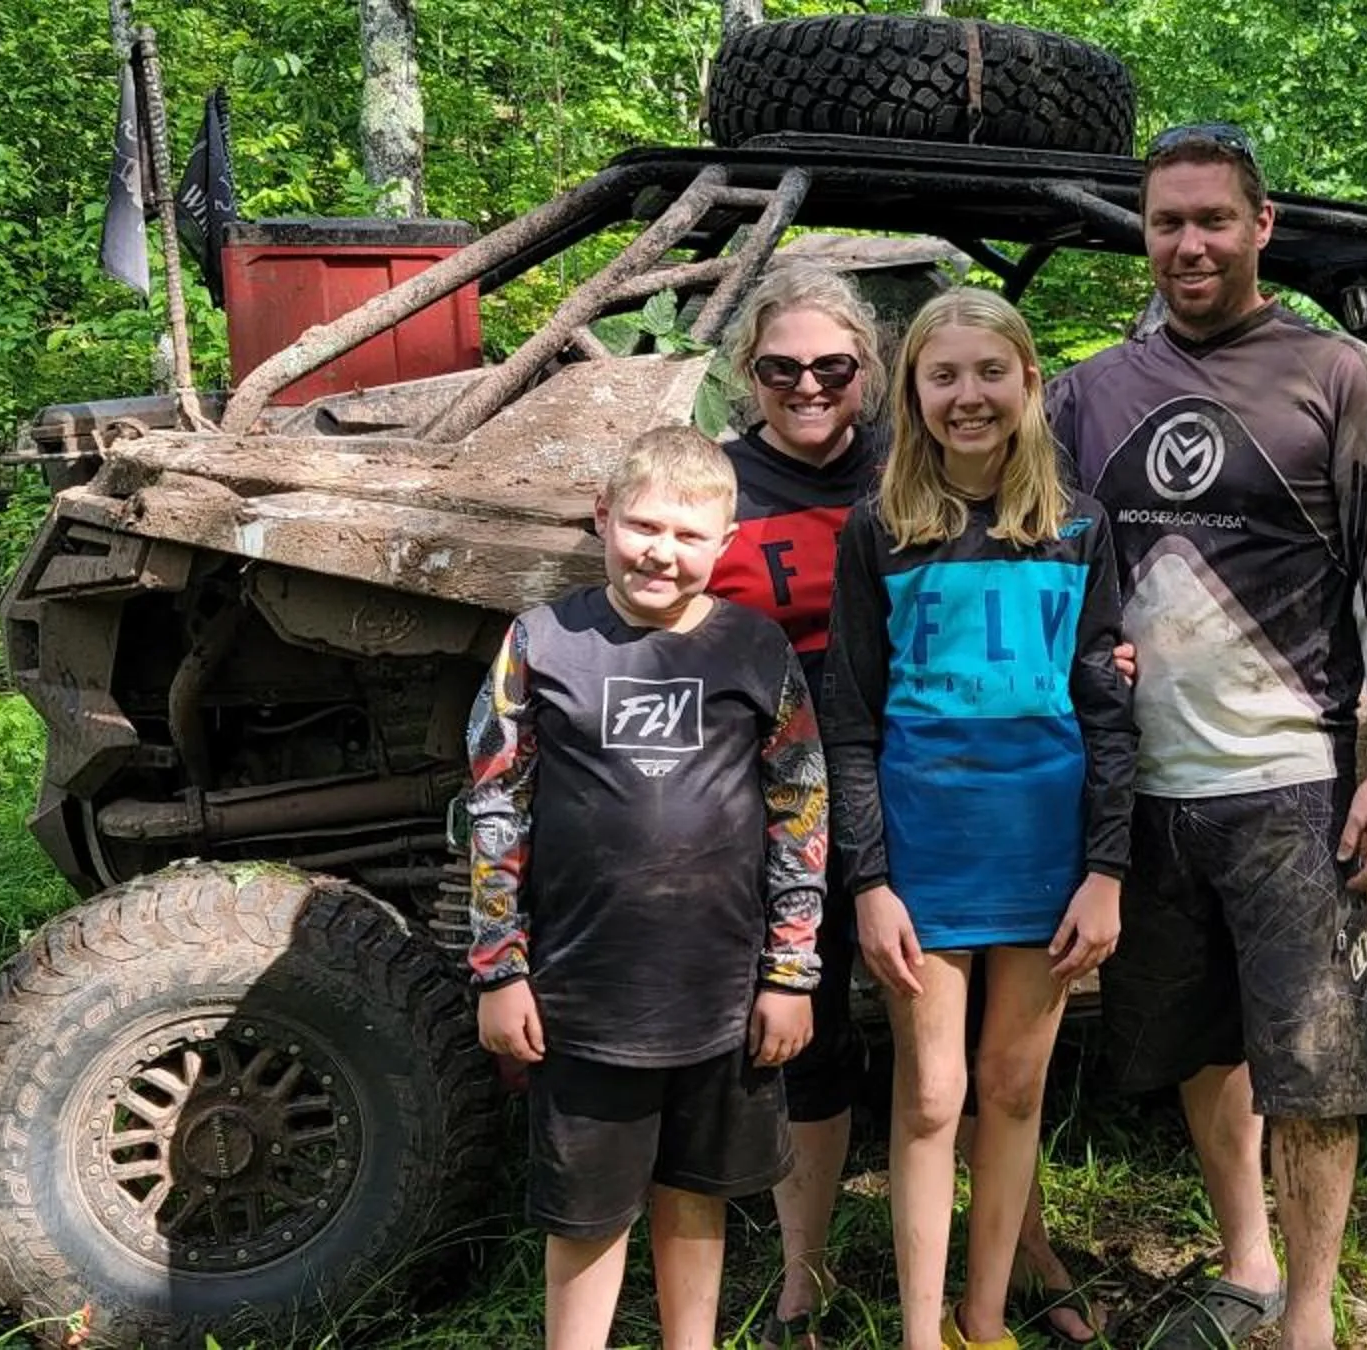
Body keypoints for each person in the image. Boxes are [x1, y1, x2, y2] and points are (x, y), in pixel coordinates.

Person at [1043, 121, 1367, 1350]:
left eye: (1214, 219)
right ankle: (1247, 1262)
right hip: (1143, 790)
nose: (1190, 244)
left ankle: (1311, 1315)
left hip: (1294, 783)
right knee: (1201, 1043)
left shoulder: (1336, 377)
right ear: (1145, 235)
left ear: (1261, 227)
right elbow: (1041, 565)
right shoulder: (1089, 390)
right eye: (1168, 223)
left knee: (1314, 1063)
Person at [461, 425, 827, 1350]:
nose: (661, 552)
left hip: (721, 991)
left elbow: (801, 811)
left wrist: (790, 975)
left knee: (695, 1194)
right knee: (587, 1215)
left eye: (688, 534)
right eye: (643, 526)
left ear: (726, 543)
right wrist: (500, 970)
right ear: (603, 518)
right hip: (583, 998)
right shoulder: (541, 644)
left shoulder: (756, 649)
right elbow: (495, 806)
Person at [822, 286, 1138, 1350]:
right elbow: (851, 718)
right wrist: (868, 880)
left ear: (1029, 383)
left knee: (1010, 1085)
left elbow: (1107, 706)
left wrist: (1107, 868)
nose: (969, 397)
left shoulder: (1080, 526)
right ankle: (921, 1332)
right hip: (923, 850)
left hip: (1045, 847)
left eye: (989, 373)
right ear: (911, 392)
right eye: (943, 375)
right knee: (930, 1094)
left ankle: (985, 1314)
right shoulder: (881, 529)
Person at [709, 263, 886, 1350]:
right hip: (766, 802)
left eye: (832, 366)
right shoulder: (715, 485)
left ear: (868, 370)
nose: (808, 386)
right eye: (783, 368)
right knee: (799, 1029)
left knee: (955, 1022)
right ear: (751, 374)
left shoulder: (913, 471)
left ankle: (1007, 1247)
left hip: (910, 781)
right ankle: (801, 1279)